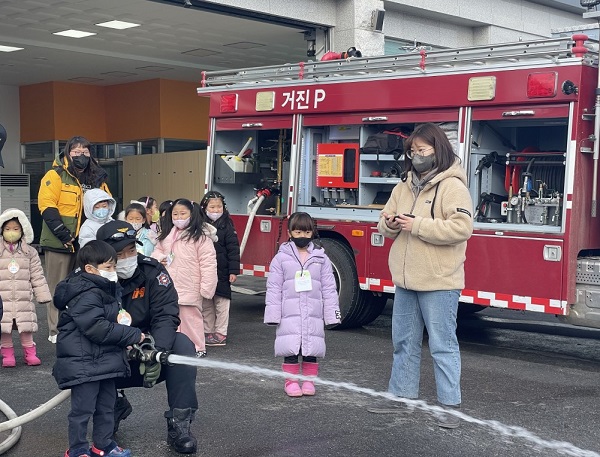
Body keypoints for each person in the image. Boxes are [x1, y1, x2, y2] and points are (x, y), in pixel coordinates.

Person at [369, 123, 473, 429]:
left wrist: (418, 225)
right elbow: (384, 223)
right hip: (406, 280)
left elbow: (461, 228)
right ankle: (400, 397)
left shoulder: (452, 186)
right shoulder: (403, 185)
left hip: (439, 282)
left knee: (443, 346)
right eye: (412, 151)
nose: (416, 156)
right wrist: (389, 223)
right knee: (404, 342)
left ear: (437, 150)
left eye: (422, 150)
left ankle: (450, 407)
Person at [96, 220, 199, 454]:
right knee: (80, 355)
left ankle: (180, 424)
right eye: (119, 254)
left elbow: (166, 314)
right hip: (110, 352)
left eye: (131, 250)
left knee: (183, 346)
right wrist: (124, 343)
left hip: (148, 352)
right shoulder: (91, 278)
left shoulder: (152, 272)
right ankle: (112, 408)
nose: (127, 258)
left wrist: (155, 349)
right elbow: (89, 324)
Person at [53, 240, 144, 457]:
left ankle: (103, 445)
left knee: (106, 406)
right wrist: (132, 335)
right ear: (90, 269)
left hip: (104, 361)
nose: (113, 271)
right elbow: (97, 328)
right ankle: (77, 449)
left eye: (114, 266)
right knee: (82, 410)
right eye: (108, 267)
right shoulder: (86, 293)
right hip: (84, 363)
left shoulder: (106, 289)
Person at [38, 135, 110, 344]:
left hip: (87, 242)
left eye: (85, 152)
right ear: (68, 153)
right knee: (57, 285)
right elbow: (46, 205)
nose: (81, 155)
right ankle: (55, 330)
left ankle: (80, 325)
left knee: (85, 284)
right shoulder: (55, 175)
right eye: (76, 151)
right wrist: (63, 233)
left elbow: (106, 203)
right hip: (60, 241)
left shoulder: (96, 177)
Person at [264, 212, 341, 397]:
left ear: (312, 232)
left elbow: (329, 288)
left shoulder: (321, 258)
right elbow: (273, 288)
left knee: (311, 349)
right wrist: (273, 315)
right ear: (290, 233)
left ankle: (309, 382)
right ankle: (290, 382)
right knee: (290, 348)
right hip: (288, 313)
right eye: (298, 232)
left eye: (307, 232)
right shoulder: (281, 258)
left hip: (313, 312)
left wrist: (332, 315)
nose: (302, 236)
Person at [152, 198, 218, 358]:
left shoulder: (201, 238)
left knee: (191, 319)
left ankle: (197, 347)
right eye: (175, 214)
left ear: (192, 214)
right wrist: (160, 257)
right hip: (169, 286)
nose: (179, 217)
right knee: (171, 319)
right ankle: (178, 348)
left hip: (190, 285)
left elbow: (208, 264)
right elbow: (156, 251)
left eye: (183, 214)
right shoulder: (167, 235)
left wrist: (207, 287)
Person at [0, 209, 52, 368]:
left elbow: (37, 275)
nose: (11, 232)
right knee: (4, 328)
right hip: (2, 299)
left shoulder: (30, 252)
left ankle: (30, 354)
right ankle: (8, 355)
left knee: (26, 327)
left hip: (23, 298)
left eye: (16, 229)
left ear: (22, 230)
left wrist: (42, 294)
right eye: (7, 229)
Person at [199, 191, 240, 347]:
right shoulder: (200, 225)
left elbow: (233, 249)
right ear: (204, 207)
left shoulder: (227, 225)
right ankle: (208, 331)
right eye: (212, 207)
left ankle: (220, 333)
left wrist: (233, 271)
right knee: (206, 303)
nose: (216, 210)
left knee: (222, 303)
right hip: (205, 271)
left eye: (219, 207)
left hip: (222, 271)